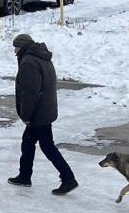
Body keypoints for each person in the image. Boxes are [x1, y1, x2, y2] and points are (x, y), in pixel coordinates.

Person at [7, 33, 78, 195]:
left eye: (16, 47)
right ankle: (24, 176)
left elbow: (29, 92)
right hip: (45, 109)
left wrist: (26, 115)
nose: (15, 51)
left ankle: (68, 178)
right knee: (27, 142)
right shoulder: (41, 57)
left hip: (38, 113)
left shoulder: (28, 63)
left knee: (47, 146)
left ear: (22, 47)